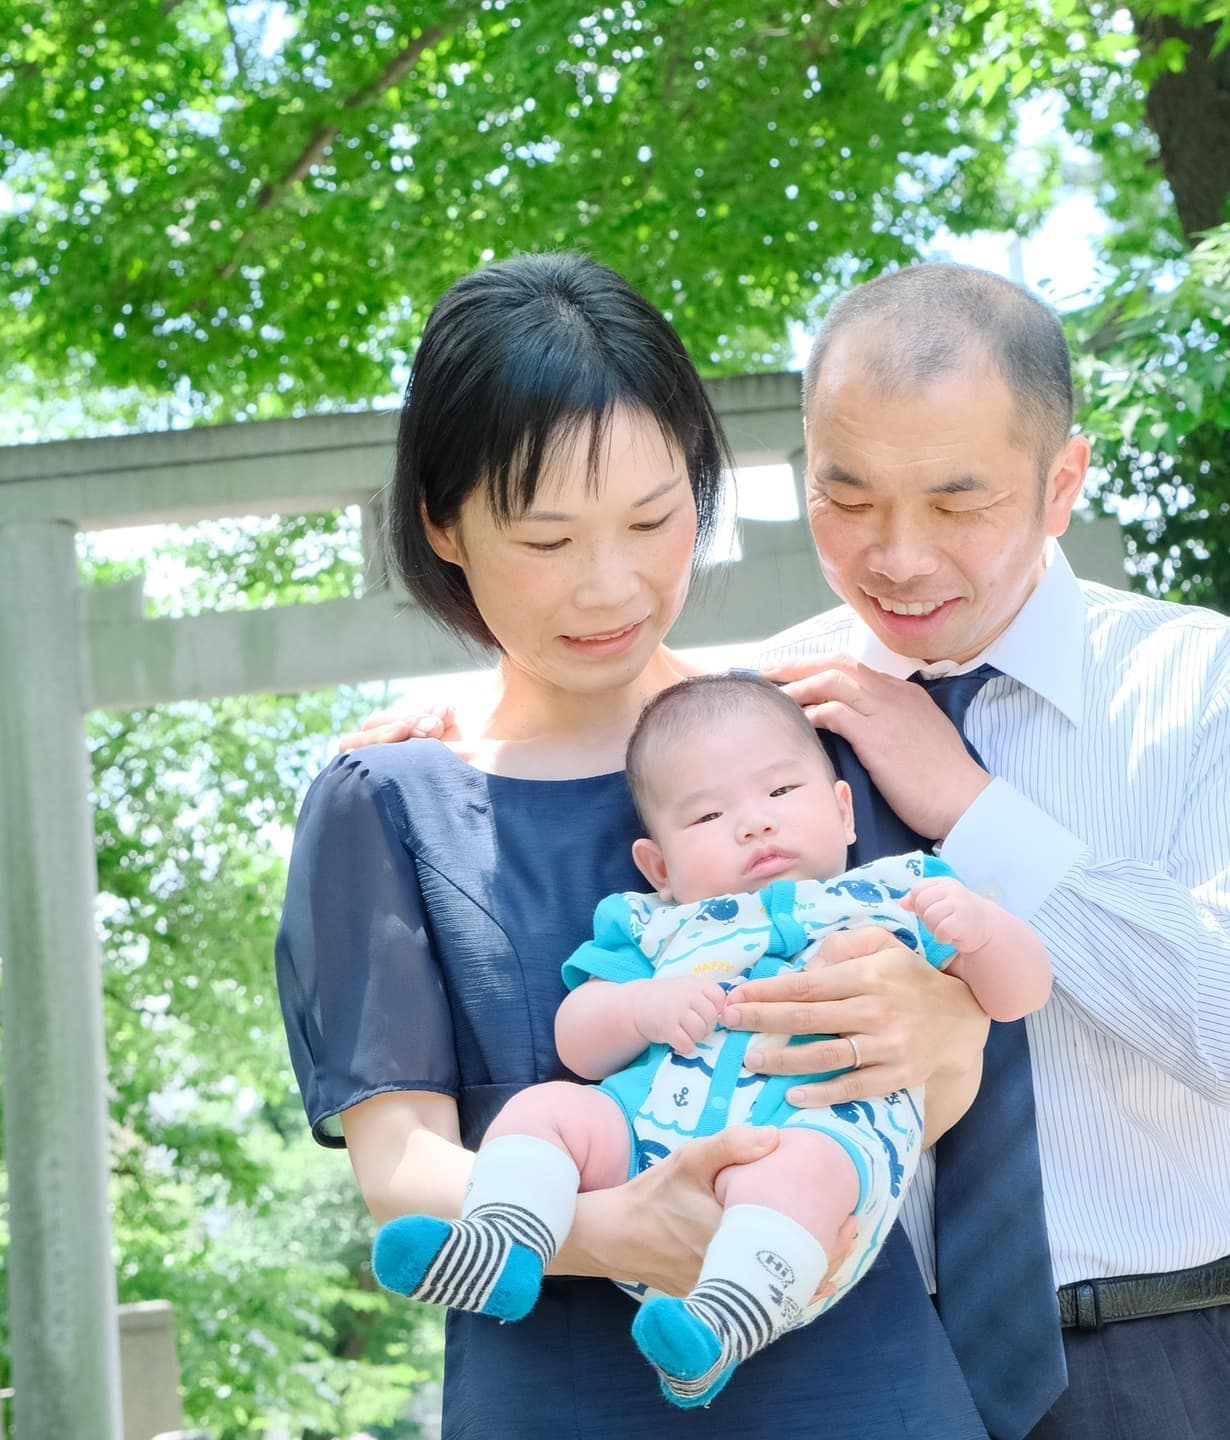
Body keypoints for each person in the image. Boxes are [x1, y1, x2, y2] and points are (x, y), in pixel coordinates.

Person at [346, 261, 1230, 1440]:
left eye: (957, 505)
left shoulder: (1200, 680)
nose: (898, 558)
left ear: (1062, 482)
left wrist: (969, 807)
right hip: (856, 1344)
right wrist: (471, 717)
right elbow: (610, 700)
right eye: (848, 500)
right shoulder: (775, 708)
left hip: (1154, 1345)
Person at [275, 252, 996, 1440]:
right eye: (547, 542)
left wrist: (949, 1030)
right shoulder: (389, 801)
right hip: (561, 1398)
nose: (609, 586)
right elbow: (401, 1165)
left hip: (864, 1390)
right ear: (443, 525)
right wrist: (614, 1229)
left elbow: (947, 1087)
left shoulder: (815, 740)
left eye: (654, 520)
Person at [370, 672, 1052, 1410]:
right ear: (658, 867)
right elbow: (578, 1043)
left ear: (843, 810)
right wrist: (639, 1007)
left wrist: (981, 934)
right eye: (707, 816)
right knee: (548, 1110)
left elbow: (1018, 998)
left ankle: (723, 1319)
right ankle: (503, 1239)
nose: (754, 824)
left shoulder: (901, 892)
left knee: (796, 1166)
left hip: (812, 1158)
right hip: (643, 1158)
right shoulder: (653, 925)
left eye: (782, 794)